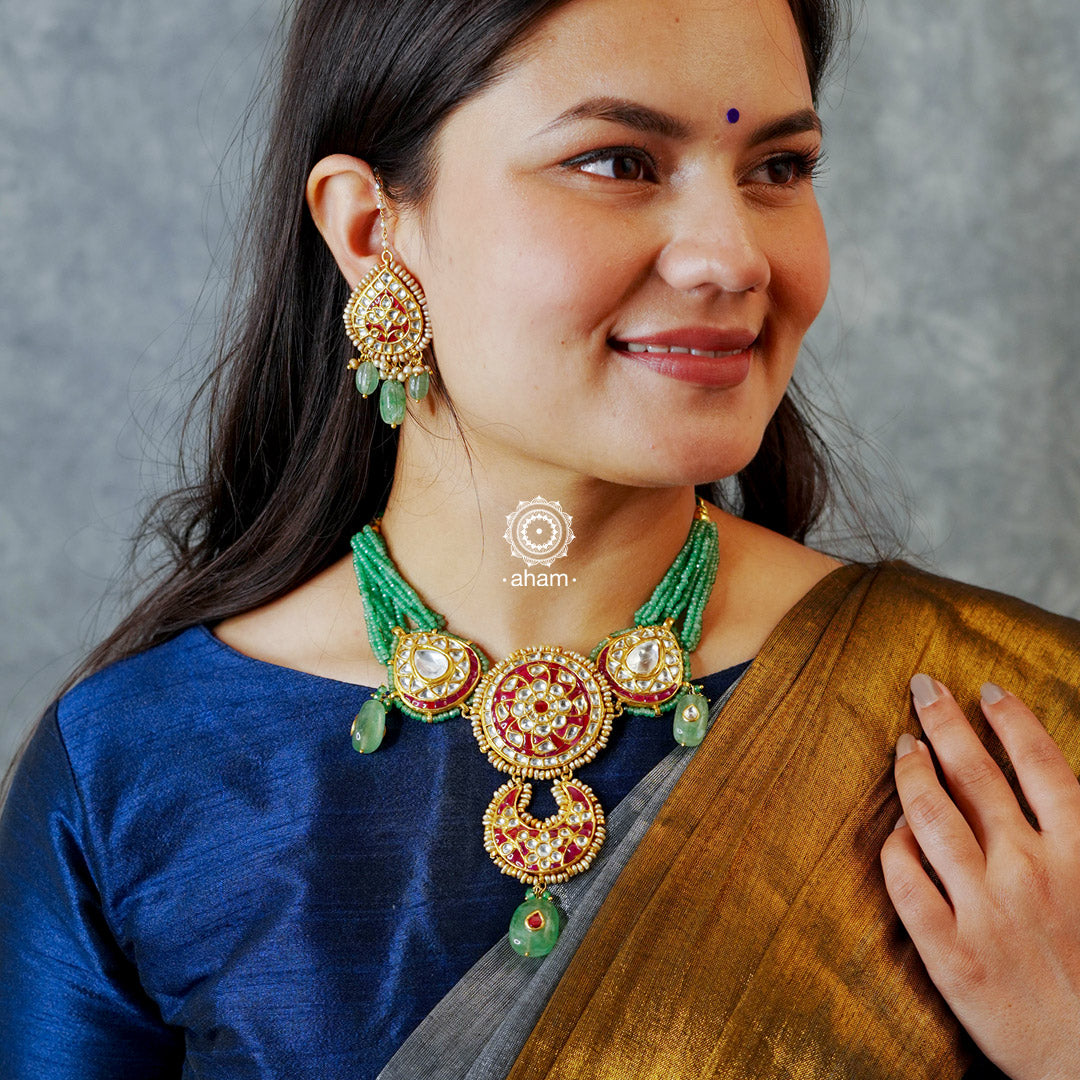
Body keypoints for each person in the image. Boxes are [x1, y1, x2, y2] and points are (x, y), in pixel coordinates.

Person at [1, 0, 1078, 1077]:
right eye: (618, 161)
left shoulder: (1011, 730)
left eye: (779, 168)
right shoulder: (136, 771)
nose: (733, 257)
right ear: (374, 230)